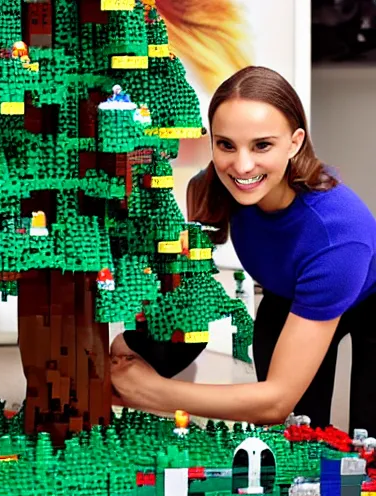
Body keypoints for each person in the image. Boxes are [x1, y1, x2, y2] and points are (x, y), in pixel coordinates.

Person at [110, 66, 376, 437]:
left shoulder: (337, 236)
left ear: (295, 142)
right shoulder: (211, 189)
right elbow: (190, 292)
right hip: (288, 295)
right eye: (226, 145)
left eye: (262, 145)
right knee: (295, 435)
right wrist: (140, 345)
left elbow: (273, 401)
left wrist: (152, 391)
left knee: (371, 444)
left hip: (369, 299)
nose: (242, 166)